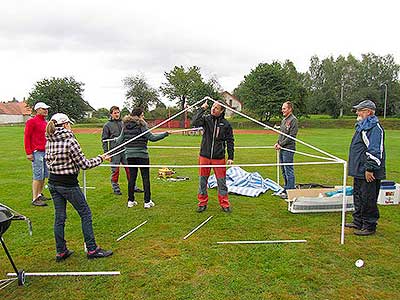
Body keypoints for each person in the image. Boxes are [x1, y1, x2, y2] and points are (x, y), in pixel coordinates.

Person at [45, 113, 113, 261]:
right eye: (69, 123)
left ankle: (61, 251)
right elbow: (85, 165)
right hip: (68, 184)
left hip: (53, 183)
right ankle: (92, 249)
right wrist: (101, 158)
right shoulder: (70, 141)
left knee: (59, 218)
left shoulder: (49, 140)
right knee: (85, 214)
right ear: (64, 125)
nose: (70, 126)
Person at [116, 107, 169, 208]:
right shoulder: (141, 124)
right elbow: (152, 138)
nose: (144, 117)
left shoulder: (125, 125)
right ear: (139, 115)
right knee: (145, 178)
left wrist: (113, 139)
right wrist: (165, 134)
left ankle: (130, 201)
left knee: (132, 178)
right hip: (142, 155)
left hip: (130, 156)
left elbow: (119, 141)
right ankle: (147, 202)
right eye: (143, 115)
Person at [346, 100, 385, 236]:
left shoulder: (374, 128)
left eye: (360, 110)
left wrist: (370, 169)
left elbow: (375, 150)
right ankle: (358, 221)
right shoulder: (362, 126)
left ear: (368, 112)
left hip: (368, 170)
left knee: (368, 198)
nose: (357, 113)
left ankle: (369, 225)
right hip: (359, 169)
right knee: (358, 195)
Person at [192, 100, 234, 213]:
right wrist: (202, 109)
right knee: (202, 181)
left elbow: (230, 141)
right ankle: (202, 203)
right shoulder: (206, 119)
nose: (213, 109)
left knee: (221, 182)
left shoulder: (226, 124)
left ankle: (224, 203)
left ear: (222, 111)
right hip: (204, 156)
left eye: (216, 108)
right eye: (213, 106)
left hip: (218, 157)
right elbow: (194, 122)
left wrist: (230, 157)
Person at [102, 106, 143, 195]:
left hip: (125, 150)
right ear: (111, 114)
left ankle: (133, 186)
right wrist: (107, 153)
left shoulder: (123, 123)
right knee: (115, 170)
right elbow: (104, 141)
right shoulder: (107, 125)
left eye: (118, 112)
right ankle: (115, 188)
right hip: (114, 151)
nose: (117, 114)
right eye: (115, 113)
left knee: (130, 169)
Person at [24, 102, 51, 207]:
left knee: (44, 174)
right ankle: (35, 198)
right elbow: (27, 137)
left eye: (46, 109)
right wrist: (28, 152)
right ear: (38, 110)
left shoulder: (45, 122)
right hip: (37, 152)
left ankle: (39, 194)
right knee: (38, 175)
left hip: (45, 151)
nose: (46, 110)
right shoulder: (32, 122)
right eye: (44, 109)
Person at [274, 101, 298, 199]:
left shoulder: (293, 120)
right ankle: (286, 187)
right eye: (282, 108)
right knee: (283, 169)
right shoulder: (284, 120)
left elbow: (291, 136)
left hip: (289, 149)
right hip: (282, 148)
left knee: (288, 170)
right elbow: (282, 134)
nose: (282, 110)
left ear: (290, 109)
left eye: (284, 108)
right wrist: (277, 143)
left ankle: (290, 191)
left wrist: (281, 144)